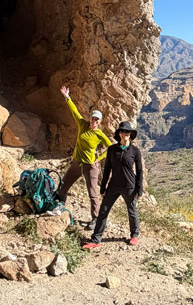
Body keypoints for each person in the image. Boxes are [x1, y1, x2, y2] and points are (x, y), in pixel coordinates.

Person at [56, 85, 112, 227]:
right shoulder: (82, 124)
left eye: (97, 120)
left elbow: (111, 148)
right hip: (77, 163)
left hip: (90, 166)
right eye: (93, 119)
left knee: (93, 193)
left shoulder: (99, 134)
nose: (94, 122)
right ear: (90, 118)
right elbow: (74, 112)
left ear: (100, 122)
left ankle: (96, 219)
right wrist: (67, 97)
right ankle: (58, 208)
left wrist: (98, 159)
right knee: (63, 186)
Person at [83, 121, 144, 249]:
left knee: (132, 211)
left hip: (129, 186)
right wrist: (103, 187)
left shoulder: (135, 151)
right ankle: (96, 240)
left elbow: (139, 171)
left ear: (131, 134)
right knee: (103, 211)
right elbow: (107, 169)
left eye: (127, 132)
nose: (124, 134)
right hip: (113, 185)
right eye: (122, 131)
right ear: (119, 134)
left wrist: (139, 189)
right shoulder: (112, 149)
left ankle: (134, 235)